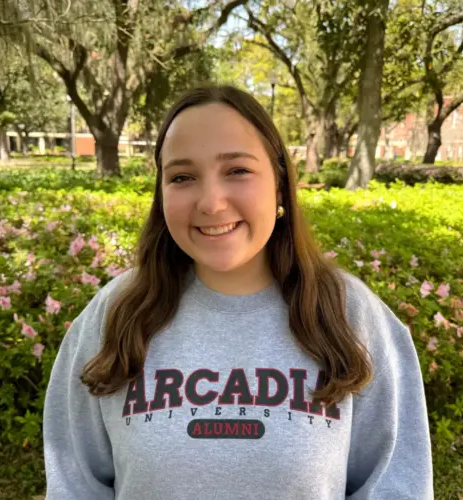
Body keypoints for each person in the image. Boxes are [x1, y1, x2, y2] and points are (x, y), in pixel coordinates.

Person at [43, 84, 434, 499]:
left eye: (237, 171)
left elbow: (395, 485)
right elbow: (75, 485)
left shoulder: (352, 315)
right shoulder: (113, 314)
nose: (211, 202)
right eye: (182, 177)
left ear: (281, 185)